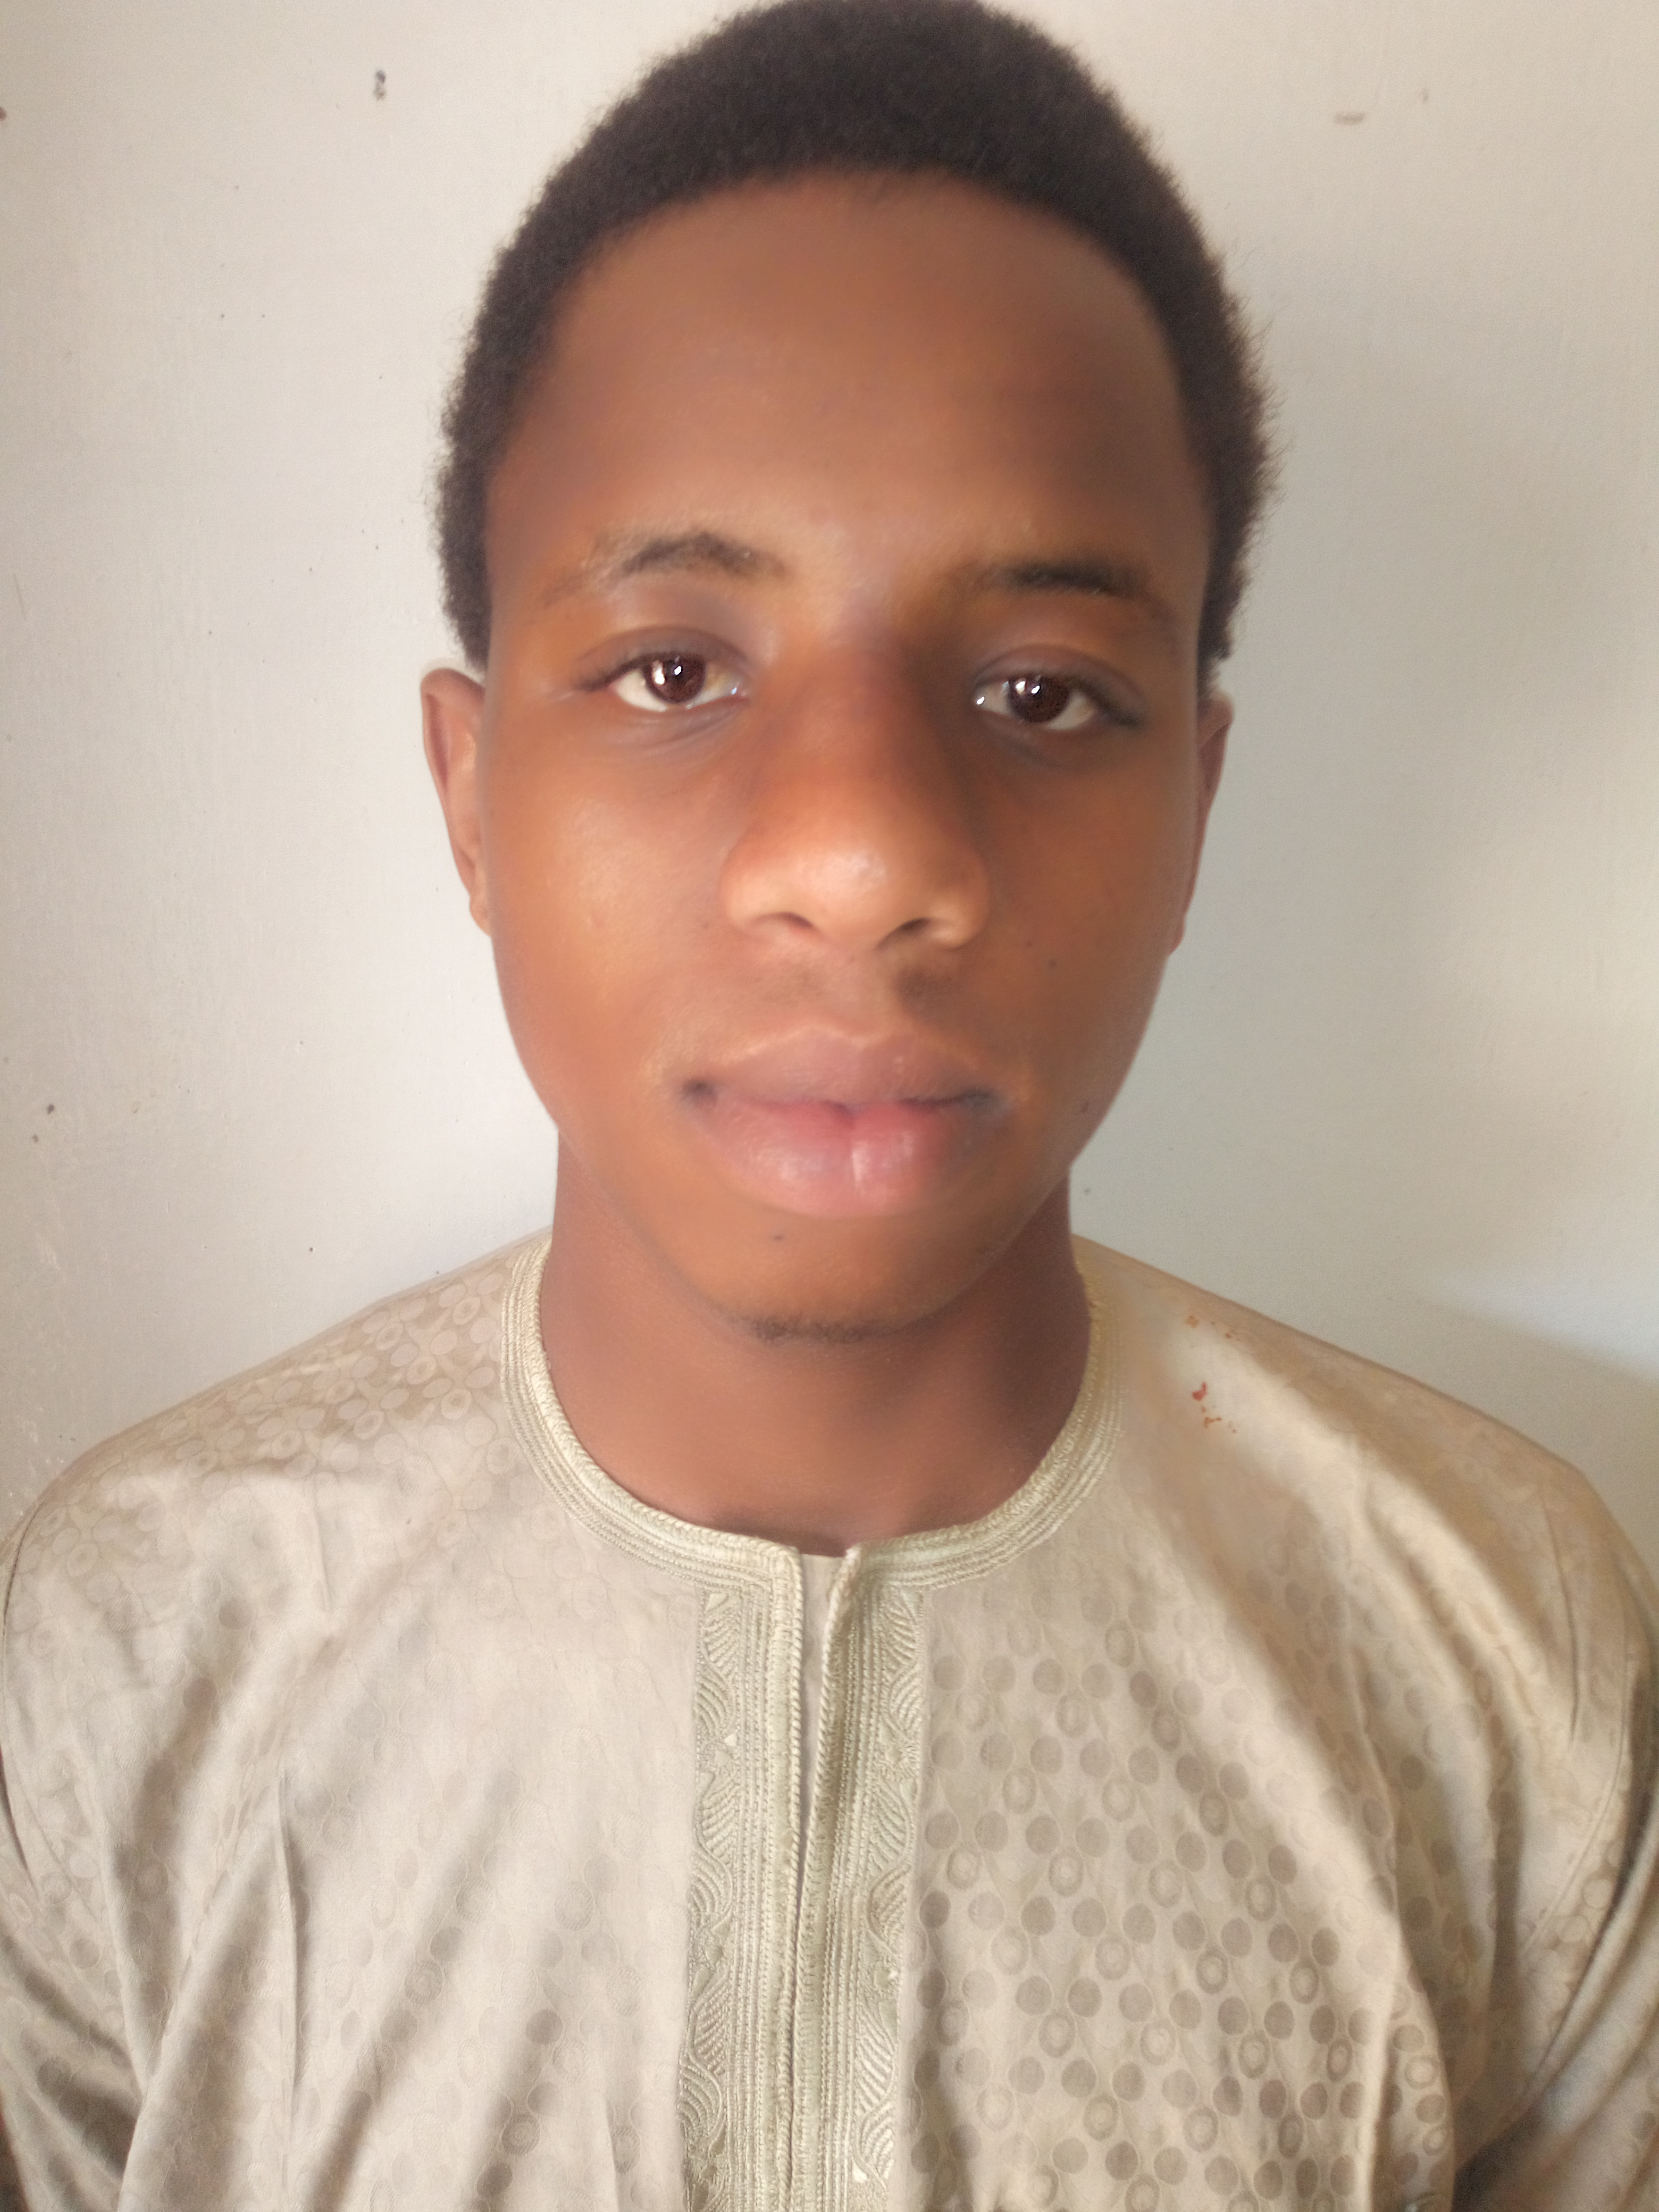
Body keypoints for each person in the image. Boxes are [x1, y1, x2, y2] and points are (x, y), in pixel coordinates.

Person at [2, 0, 1655, 2205]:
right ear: (473, 797)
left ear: (1196, 808)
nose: (865, 854)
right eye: (674, 668)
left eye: (1043, 691)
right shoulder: (140, 1641)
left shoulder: (1505, 1659)